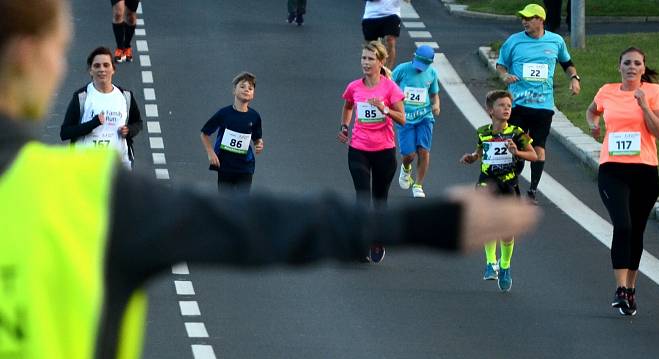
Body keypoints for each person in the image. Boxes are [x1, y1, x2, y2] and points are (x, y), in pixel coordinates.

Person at [0, 1, 540, 357]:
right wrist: (429, 223)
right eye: (58, 49)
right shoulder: (84, 193)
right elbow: (260, 225)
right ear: (27, 57)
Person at [585, 47, 659, 316]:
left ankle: (631, 288)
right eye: (627, 63)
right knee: (622, 225)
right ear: (619, 66)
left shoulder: (654, 93)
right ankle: (620, 288)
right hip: (612, 169)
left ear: (644, 68)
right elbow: (592, 110)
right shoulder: (607, 90)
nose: (632, 67)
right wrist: (593, 124)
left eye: (637, 63)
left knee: (636, 231)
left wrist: (644, 105)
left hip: (645, 170)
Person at [496, 3, 581, 203]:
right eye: (523, 18)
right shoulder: (514, 41)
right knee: (515, 146)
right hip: (517, 105)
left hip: (543, 106)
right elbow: (501, 65)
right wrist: (505, 75)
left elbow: (567, 63)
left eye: (529, 18)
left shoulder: (556, 41)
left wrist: (575, 78)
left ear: (540, 20)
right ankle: (512, 186)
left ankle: (532, 191)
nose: (524, 21)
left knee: (539, 147)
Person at [460, 90, 537, 292]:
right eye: (502, 105)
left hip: (509, 183)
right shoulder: (482, 132)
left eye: (509, 106)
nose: (506, 109)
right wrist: (472, 157)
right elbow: (479, 152)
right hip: (487, 181)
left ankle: (505, 266)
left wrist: (516, 152)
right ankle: (490, 263)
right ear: (490, 110)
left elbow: (534, 156)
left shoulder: (517, 132)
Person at [339, 41, 405, 263]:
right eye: (363, 58)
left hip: (384, 151)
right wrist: (344, 127)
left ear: (381, 61)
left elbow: (402, 119)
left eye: (370, 59)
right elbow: (348, 106)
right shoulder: (354, 87)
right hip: (358, 148)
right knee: (362, 197)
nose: (365, 63)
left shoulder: (390, 88)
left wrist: (384, 109)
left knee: (379, 199)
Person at [60, 46, 142, 170]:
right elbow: (65, 132)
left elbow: (138, 123)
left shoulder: (125, 96)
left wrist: (129, 130)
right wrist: (93, 124)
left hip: (119, 166)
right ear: (90, 71)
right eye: (97, 66)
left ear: (113, 69)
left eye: (106, 65)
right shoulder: (82, 97)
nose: (102, 69)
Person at [200, 72, 265, 194]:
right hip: (225, 166)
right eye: (242, 86)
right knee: (225, 202)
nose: (246, 90)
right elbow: (204, 133)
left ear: (253, 95)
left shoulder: (254, 116)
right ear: (234, 91)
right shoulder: (224, 114)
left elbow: (257, 138)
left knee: (243, 202)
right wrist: (210, 153)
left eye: (250, 88)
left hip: (246, 167)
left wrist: (259, 144)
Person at [392, 45, 440, 198]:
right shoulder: (402, 69)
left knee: (424, 150)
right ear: (413, 56)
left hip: (425, 116)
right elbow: (388, 86)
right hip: (405, 118)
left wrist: (436, 104)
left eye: (424, 66)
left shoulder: (432, 73)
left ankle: (418, 184)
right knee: (409, 155)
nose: (420, 69)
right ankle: (406, 168)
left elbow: (434, 94)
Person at [362, 0, 408, 69]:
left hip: (392, 14)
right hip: (371, 15)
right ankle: (373, 70)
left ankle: (387, 72)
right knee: (371, 46)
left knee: (390, 40)